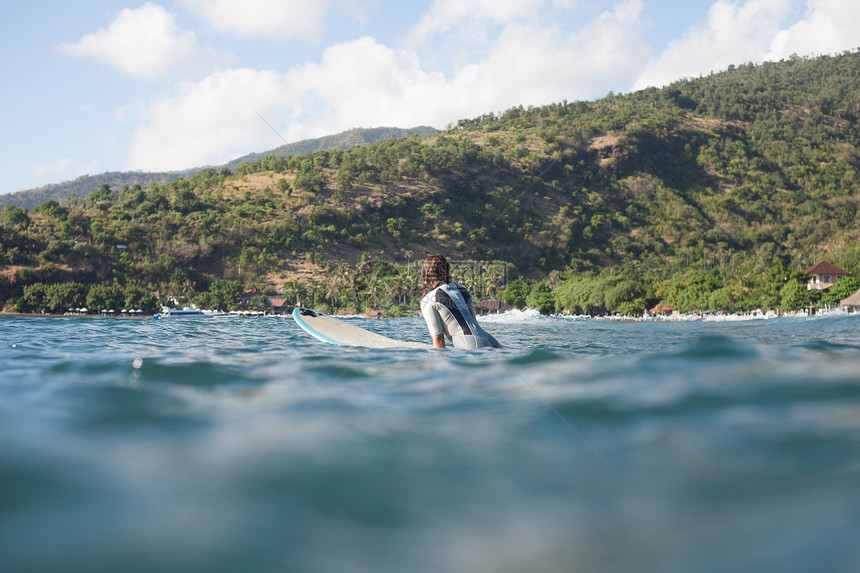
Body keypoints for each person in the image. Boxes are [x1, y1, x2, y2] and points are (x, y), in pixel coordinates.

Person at [419, 255, 501, 349]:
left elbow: (438, 338)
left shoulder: (429, 299)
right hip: (490, 340)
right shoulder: (463, 289)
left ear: (426, 274)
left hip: (469, 343)